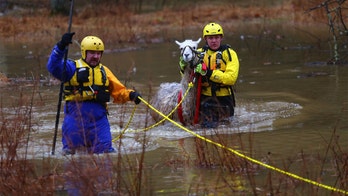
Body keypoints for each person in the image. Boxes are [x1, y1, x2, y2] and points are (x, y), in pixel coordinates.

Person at [47, 33, 142, 155]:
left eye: (98, 53)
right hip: (75, 118)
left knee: (106, 153)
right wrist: (60, 47)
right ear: (84, 52)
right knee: (72, 154)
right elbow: (53, 67)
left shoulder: (104, 71)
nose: (96, 56)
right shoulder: (71, 67)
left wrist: (131, 95)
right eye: (92, 53)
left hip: (99, 120)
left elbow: (119, 91)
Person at [179, 22, 239, 128]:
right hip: (205, 99)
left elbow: (231, 79)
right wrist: (183, 67)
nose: (214, 41)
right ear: (205, 39)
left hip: (224, 99)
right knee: (207, 128)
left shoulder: (229, 54)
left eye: (216, 37)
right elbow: (187, 78)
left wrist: (209, 72)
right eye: (210, 38)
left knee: (226, 129)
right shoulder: (198, 53)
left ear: (221, 38)